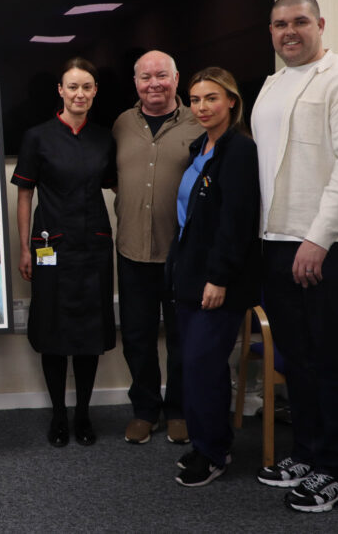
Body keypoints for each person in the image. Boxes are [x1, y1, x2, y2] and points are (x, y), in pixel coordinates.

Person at [251, 0, 338, 512]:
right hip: (277, 242)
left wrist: (318, 239)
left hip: (325, 247)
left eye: (300, 22)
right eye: (280, 24)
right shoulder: (273, 85)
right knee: (297, 361)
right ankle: (307, 452)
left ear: (320, 24)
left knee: (331, 360)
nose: (289, 31)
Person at [13, 58, 117, 447]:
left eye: (87, 87)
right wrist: (24, 248)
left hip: (94, 248)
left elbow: (115, 186)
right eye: (72, 87)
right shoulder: (37, 137)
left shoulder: (105, 137)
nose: (80, 94)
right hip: (48, 246)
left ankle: (84, 414)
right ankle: (58, 415)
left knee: (90, 332)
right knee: (54, 331)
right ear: (60, 90)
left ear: (95, 92)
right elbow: (24, 194)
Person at [166, 67, 260, 487]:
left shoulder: (239, 151)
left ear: (232, 102)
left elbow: (236, 223)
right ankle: (206, 441)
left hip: (219, 280)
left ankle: (215, 451)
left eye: (212, 98)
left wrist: (219, 278)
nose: (202, 107)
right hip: (189, 275)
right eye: (196, 100)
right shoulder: (200, 147)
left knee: (204, 363)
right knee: (193, 364)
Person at [113, 50, 202, 444]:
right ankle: (145, 410)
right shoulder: (121, 124)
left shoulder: (199, 122)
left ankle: (179, 408)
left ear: (177, 77)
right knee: (137, 336)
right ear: (136, 83)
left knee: (182, 337)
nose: (154, 84)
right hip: (133, 250)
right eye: (146, 77)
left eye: (161, 76)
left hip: (182, 253)